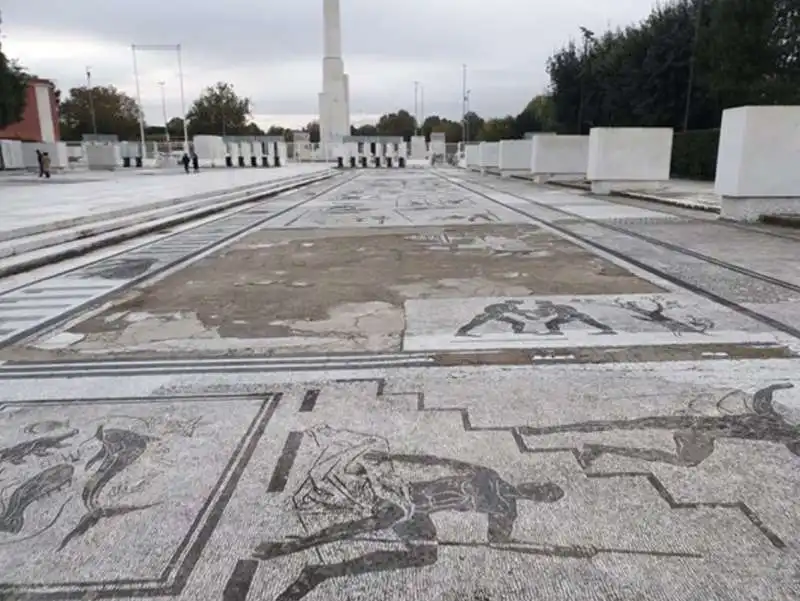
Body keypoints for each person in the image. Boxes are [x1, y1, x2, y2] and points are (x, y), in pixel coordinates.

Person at [254, 425, 565, 600]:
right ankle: (288, 548)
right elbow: (433, 461)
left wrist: (559, 551)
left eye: (543, 497)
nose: (536, 492)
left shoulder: (504, 509)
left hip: (419, 514)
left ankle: (322, 573)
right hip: (405, 495)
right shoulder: (489, 475)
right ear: (536, 481)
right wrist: (395, 457)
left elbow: (498, 542)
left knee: (426, 555)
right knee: (379, 519)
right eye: (542, 487)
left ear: (538, 500)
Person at [456, 300, 539, 336]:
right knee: (477, 322)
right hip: (489, 315)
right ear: (508, 304)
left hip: (499, 316)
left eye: (513, 305)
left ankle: (518, 329)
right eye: (511, 305)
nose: (512, 307)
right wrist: (496, 314)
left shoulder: (513, 308)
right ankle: (462, 331)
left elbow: (522, 314)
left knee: (517, 322)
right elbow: (487, 309)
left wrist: (533, 318)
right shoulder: (500, 306)